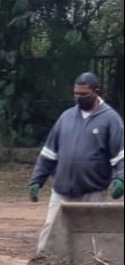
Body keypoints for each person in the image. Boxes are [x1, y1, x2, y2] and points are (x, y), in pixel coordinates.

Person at [27, 71, 125, 253]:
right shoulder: (66, 117)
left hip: (92, 193)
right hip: (62, 191)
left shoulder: (111, 119)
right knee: (50, 232)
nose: (79, 98)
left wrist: (121, 179)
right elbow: (49, 153)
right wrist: (36, 180)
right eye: (76, 94)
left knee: (90, 237)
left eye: (83, 94)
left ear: (97, 91)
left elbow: (121, 155)